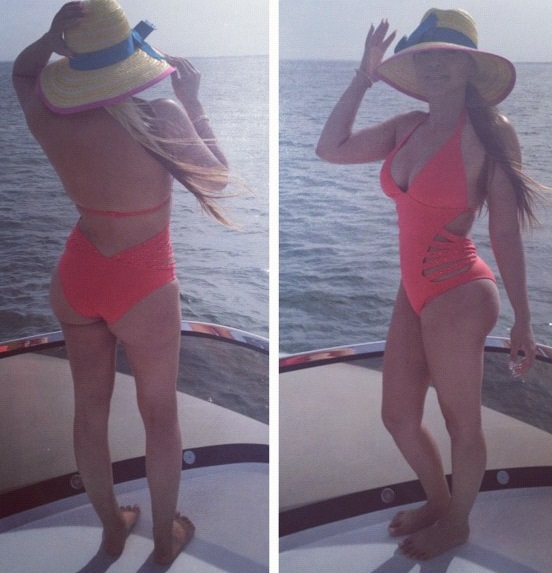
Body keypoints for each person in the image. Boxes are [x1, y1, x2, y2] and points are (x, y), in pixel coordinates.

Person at [316, 8, 544, 560]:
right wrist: (363, 76)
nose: (435, 65)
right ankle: (440, 502)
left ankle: (457, 522)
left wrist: (523, 317)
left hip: (460, 290)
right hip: (413, 291)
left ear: (469, 67)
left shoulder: (492, 134)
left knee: (460, 422)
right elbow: (330, 148)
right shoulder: (407, 127)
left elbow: (504, 232)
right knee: (398, 416)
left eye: (449, 56)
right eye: (426, 56)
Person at [12, 0, 230, 564]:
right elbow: (217, 179)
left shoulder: (48, 116)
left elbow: (23, 73)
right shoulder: (162, 116)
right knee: (160, 419)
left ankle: (112, 527)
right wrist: (193, 101)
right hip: (144, 285)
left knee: (90, 413)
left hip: (78, 275)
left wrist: (51, 38)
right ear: (131, 59)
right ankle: (163, 542)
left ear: (74, 61)